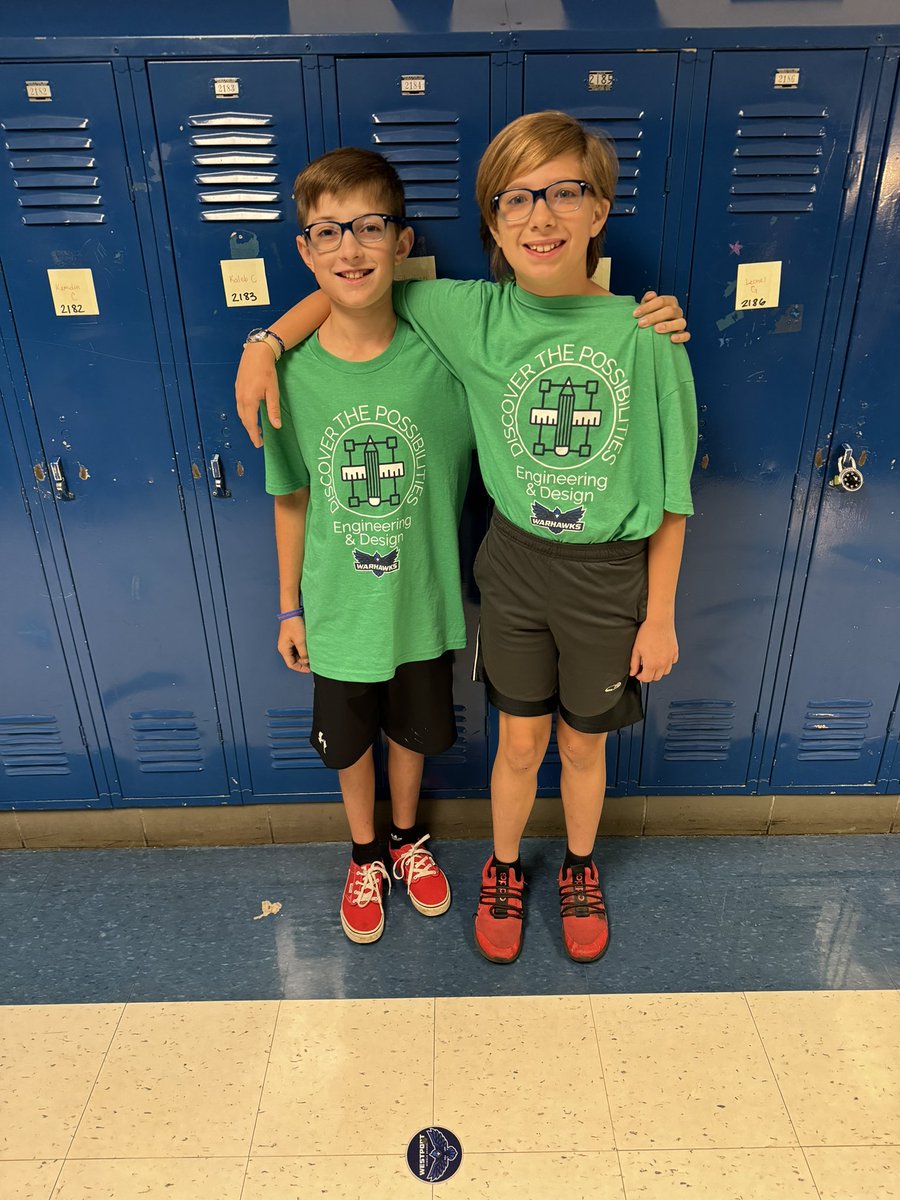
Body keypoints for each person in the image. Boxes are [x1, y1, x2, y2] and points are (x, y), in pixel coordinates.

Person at [236, 112, 696, 967]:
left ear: (601, 210)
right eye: (516, 199)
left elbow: (673, 497)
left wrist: (661, 613)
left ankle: (582, 868)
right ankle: (494, 865)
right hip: (512, 569)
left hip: (605, 575)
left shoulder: (646, 335)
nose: (541, 216)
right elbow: (358, 283)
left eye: (566, 192)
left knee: (582, 742)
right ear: (491, 222)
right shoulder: (463, 312)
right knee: (520, 741)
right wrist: (264, 343)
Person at [260, 147, 474, 945]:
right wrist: (290, 606)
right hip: (340, 610)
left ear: (402, 241)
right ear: (305, 250)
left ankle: (408, 841)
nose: (349, 249)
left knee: (413, 734)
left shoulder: (446, 361)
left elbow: (535, 330)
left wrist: (633, 316)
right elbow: (290, 497)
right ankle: (363, 855)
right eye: (327, 233)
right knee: (351, 744)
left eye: (369, 227)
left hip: (421, 600)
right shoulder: (294, 379)